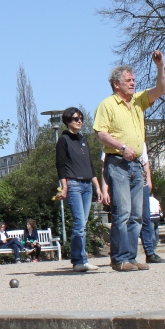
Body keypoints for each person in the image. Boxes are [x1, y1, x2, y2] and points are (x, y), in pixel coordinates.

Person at [92, 52, 165, 272]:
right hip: (117, 163)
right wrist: (122, 147)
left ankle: (131, 258)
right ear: (117, 84)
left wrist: (160, 66)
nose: (133, 83)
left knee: (137, 215)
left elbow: (161, 89)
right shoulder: (107, 105)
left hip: (136, 164)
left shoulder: (138, 101)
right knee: (123, 213)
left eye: (134, 80)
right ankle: (119, 259)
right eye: (128, 80)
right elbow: (101, 133)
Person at [56, 107, 103, 272]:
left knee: (83, 224)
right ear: (68, 121)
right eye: (76, 119)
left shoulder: (83, 139)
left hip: (87, 185)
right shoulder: (63, 140)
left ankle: (82, 259)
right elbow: (60, 165)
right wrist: (64, 187)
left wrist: (98, 187)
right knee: (79, 224)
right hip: (74, 185)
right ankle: (79, 261)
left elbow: (90, 165)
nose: (80, 121)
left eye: (81, 118)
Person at [138, 146, 165, 263]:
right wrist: (104, 188)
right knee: (126, 218)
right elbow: (105, 164)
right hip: (124, 180)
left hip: (142, 182)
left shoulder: (140, 141)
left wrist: (149, 180)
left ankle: (150, 253)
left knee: (145, 219)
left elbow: (145, 162)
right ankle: (124, 256)